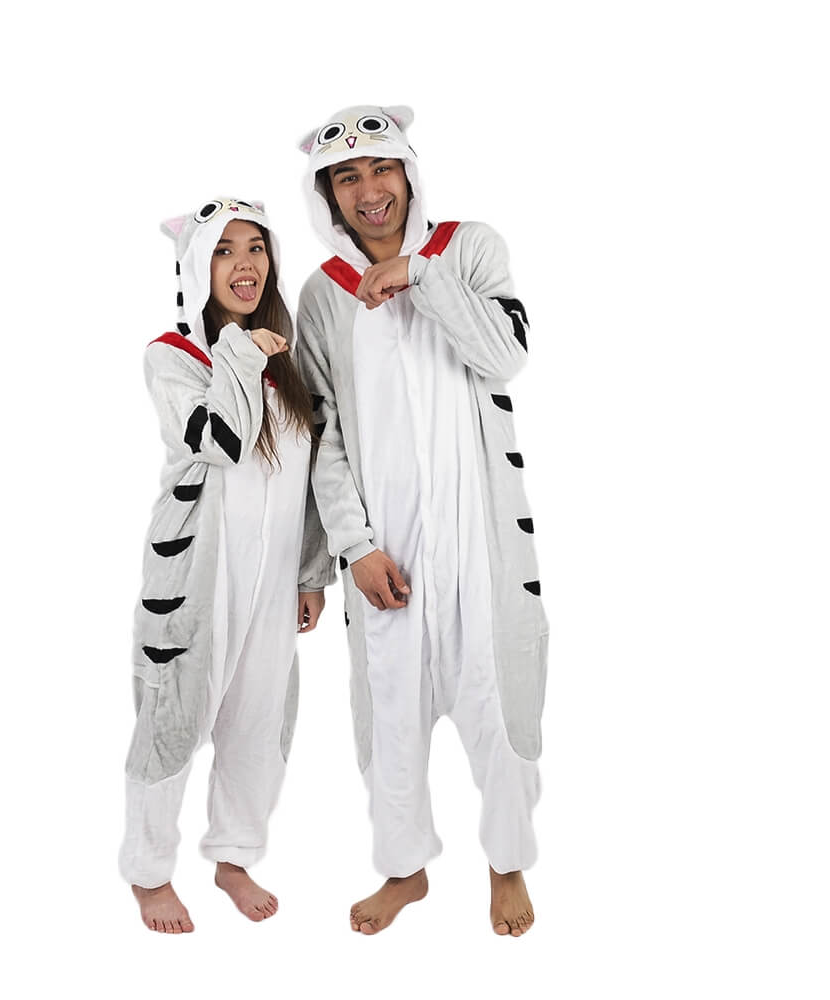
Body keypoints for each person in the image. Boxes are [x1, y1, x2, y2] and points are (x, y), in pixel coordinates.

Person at [295, 106, 549, 937]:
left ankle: (507, 864)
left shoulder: (468, 250)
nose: (369, 190)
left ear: (408, 172)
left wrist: (420, 275)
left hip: (478, 541)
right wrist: (353, 549)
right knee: (390, 716)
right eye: (347, 177)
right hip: (387, 550)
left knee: (497, 702)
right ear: (328, 195)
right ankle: (404, 870)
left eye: (382, 168)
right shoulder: (323, 296)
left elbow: (504, 355)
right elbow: (322, 434)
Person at [119, 197, 335, 933]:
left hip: (271, 582)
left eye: (256, 248)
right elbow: (221, 440)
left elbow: (308, 474)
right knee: (175, 716)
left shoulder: (287, 362)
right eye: (223, 250)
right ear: (195, 266)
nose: (245, 265)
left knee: (261, 719)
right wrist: (242, 352)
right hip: (200, 577)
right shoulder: (174, 358)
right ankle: (149, 872)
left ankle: (234, 856)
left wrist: (310, 573)